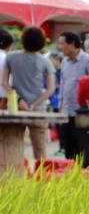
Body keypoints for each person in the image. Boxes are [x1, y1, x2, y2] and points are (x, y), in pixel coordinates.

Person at [0, 26, 56, 162]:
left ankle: (15, 178)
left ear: (23, 39)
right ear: (42, 42)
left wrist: (19, 100)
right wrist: (33, 104)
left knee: (13, 145)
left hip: (15, 107)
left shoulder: (11, 57)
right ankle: (41, 179)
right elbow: (50, 89)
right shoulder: (45, 62)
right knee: (40, 150)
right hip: (38, 109)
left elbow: (4, 83)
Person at [55, 31, 89, 160]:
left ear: (71, 44)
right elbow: (63, 84)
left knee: (82, 145)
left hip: (82, 112)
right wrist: (60, 105)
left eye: (62, 44)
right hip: (66, 110)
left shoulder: (87, 59)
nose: (60, 47)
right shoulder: (64, 61)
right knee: (68, 146)